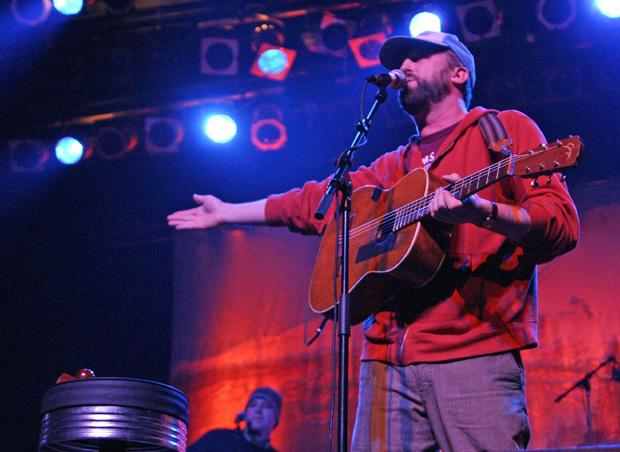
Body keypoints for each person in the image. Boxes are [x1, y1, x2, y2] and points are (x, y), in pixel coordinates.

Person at [169, 31, 579, 452]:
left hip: (473, 352)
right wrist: (227, 212)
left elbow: (561, 226)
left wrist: (483, 212)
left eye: (419, 56)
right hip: (386, 361)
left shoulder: (503, 131)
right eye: (401, 58)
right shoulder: (394, 165)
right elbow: (316, 202)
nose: (404, 65)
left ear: (459, 72)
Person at [189, 387, 282, 452]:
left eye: (266, 406)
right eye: (253, 405)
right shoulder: (217, 439)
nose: (258, 410)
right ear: (245, 414)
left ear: (276, 420)